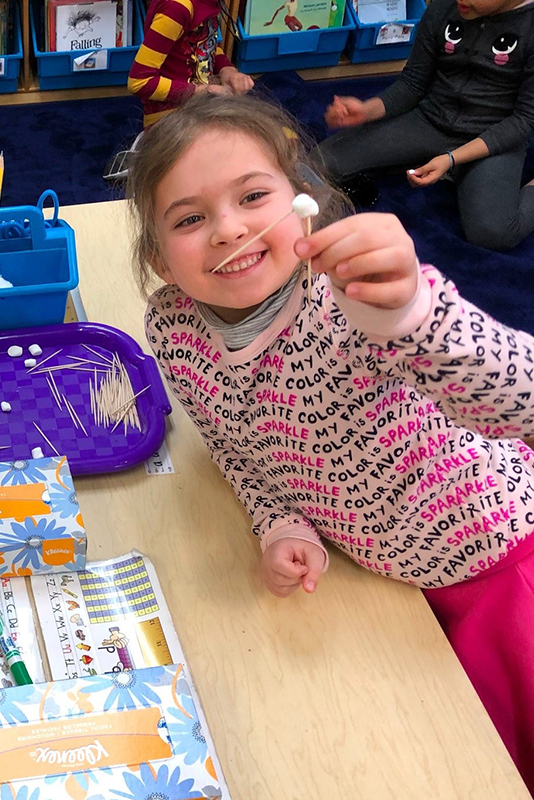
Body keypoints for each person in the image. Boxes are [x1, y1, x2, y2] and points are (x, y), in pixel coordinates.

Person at [128, 92, 534, 789]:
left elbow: (523, 400)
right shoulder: (173, 328)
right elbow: (235, 449)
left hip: (496, 560)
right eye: (191, 219)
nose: (228, 230)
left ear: (304, 202)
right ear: (162, 261)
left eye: (253, 196)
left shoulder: (353, 302)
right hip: (385, 586)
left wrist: (415, 313)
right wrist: (281, 521)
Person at [315, 0, 534, 250]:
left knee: (493, 232)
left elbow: (523, 121)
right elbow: (412, 84)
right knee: (322, 162)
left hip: (492, 139)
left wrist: (451, 159)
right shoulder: (444, 7)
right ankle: (441, 166)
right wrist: (366, 111)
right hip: (431, 119)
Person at [105, 0, 253, 180]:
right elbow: (139, 81)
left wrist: (227, 70)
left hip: (200, 100)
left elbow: (206, 43)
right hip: (170, 114)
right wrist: (204, 91)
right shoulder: (176, 8)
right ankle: (150, 151)